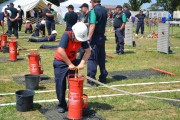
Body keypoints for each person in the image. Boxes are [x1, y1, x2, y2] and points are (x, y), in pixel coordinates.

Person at [54, 22, 91, 113]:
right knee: (60, 84)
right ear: (73, 33)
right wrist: (69, 64)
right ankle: (61, 104)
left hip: (73, 61)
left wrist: (82, 63)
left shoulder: (82, 38)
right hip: (60, 62)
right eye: (78, 39)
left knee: (74, 84)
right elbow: (60, 50)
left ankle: (74, 102)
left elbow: (88, 51)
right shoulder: (66, 35)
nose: (79, 41)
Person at [87, 0, 108, 86]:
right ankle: (103, 76)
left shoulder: (93, 11)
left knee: (92, 58)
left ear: (92, 1)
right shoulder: (104, 10)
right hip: (101, 36)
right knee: (101, 57)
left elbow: (92, 25)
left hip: (95, 37)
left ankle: (91, 80)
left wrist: (88, 38)